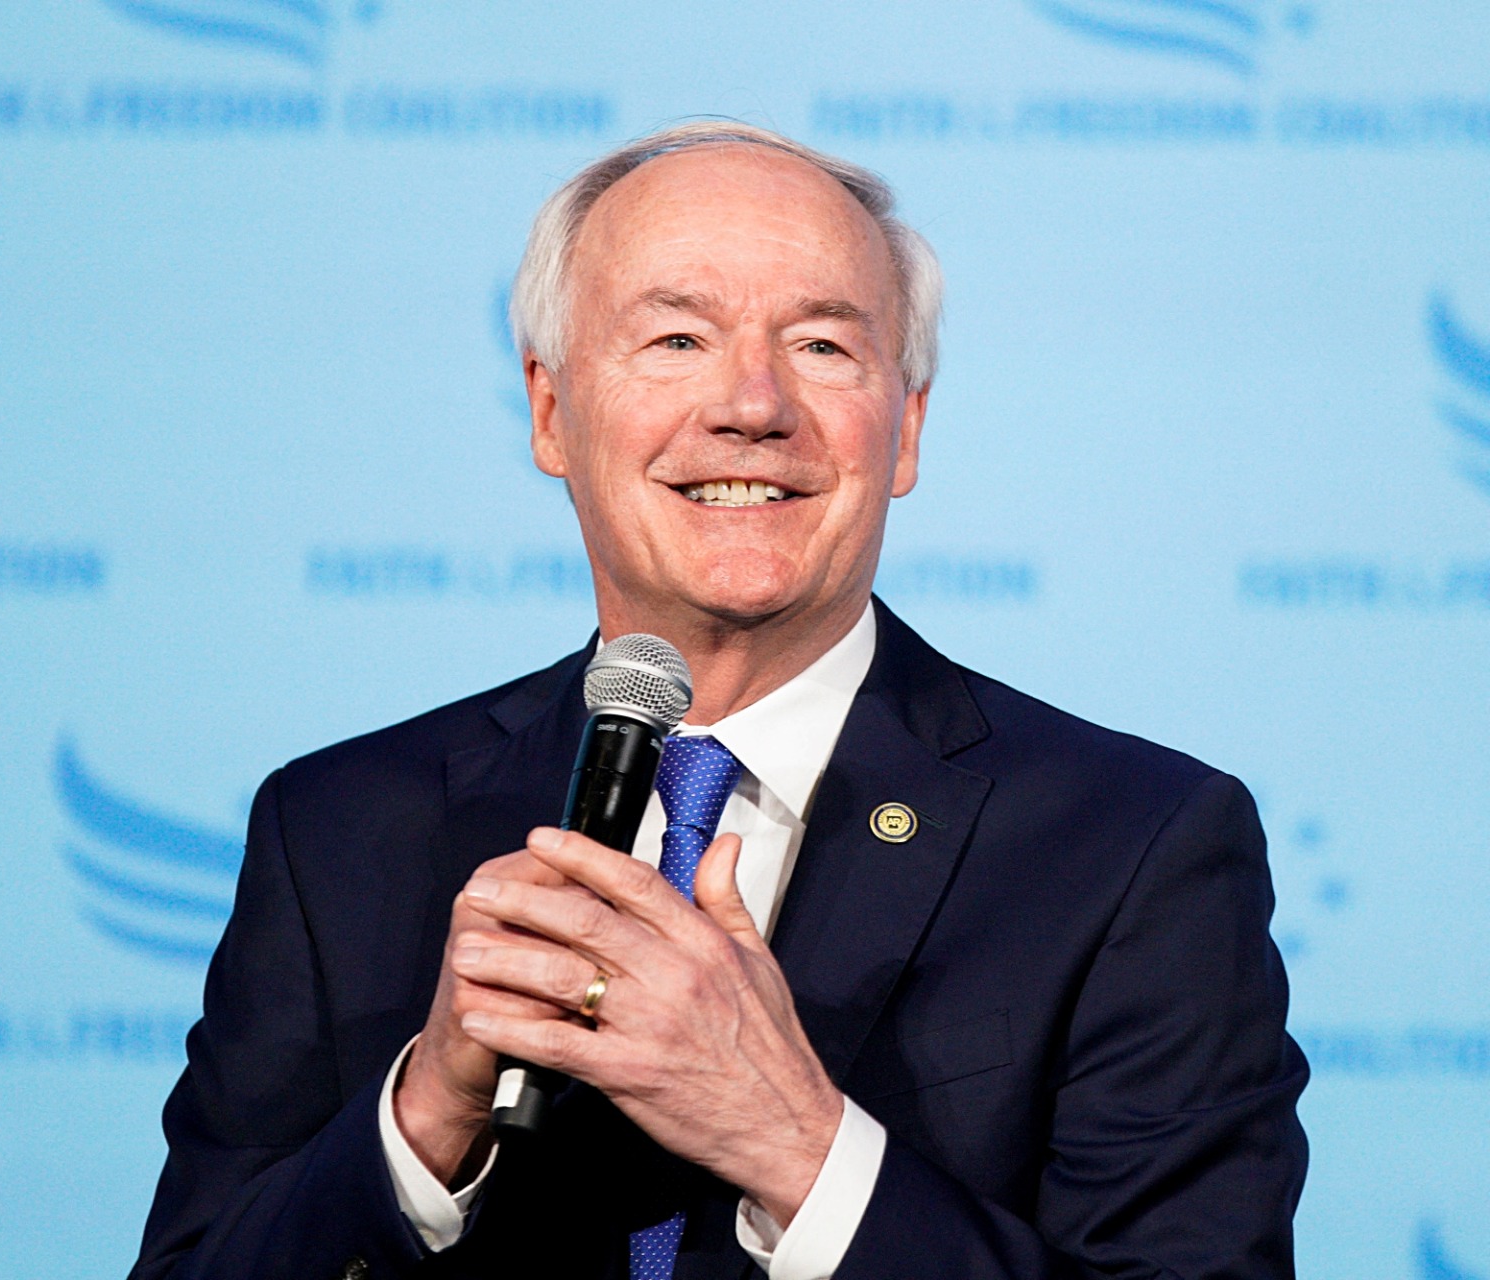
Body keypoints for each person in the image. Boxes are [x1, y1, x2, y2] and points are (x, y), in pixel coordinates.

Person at [129, 121, 1309, 1280]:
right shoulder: (339, 826)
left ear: (906, 427)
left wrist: (798, 1144)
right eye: (679, 339)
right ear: (550, 411)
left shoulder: (1133, 845)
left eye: (824, 347)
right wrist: (424, 1114)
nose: (752, 404)